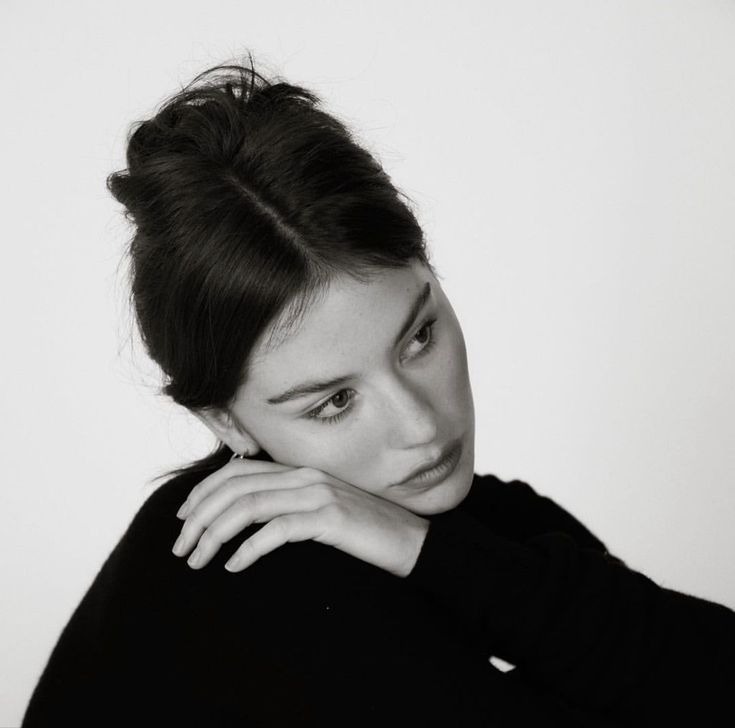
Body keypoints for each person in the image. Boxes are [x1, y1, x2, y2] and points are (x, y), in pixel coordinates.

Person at [22, 54, 735, 727]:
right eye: (333, 401)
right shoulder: (258, 583)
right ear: (227, 423)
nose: (420, 426)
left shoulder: (440, 521)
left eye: (417, 338)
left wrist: (424, 551)